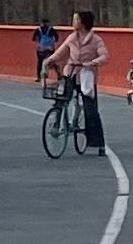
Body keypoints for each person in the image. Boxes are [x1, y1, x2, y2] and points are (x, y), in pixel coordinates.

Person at [43, 9, 108, 155]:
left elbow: (105, 56)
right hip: (70, 73)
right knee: (60, 99)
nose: (73, 22)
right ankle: (56, 124)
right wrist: (50, 60)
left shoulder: (96, 40)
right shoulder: (72, 37)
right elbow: (61, 51)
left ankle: (98, 143)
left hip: (86, 75)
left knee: (91, 110)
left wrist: (93, 62)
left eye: (76, 20)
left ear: (83, 23)